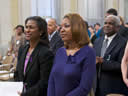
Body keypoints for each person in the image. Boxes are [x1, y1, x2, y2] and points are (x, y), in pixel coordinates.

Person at [47, 13, 96, 96]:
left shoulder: (88, 52)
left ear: (77, 28)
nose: (61, 30)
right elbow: (52, 80)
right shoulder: (60, 52)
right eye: (61, 27)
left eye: (66, 26)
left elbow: (84, 87)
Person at [14, 16, 54, 96]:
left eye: (31, 28)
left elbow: (44, 82)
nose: (27, 30)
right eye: (26, 27)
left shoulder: (46, 53)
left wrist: (26, 94)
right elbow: (18, 73)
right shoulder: (23, 49)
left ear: (41, 31)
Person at [94, 15, 128, 96]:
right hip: (96, 87)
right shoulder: (97, 41)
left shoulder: (123, 43)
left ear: (118, 27)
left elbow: (123, 66)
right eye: (105, 23)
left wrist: (103, 62)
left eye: (110, 23)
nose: (107, 25)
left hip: (113, 87)